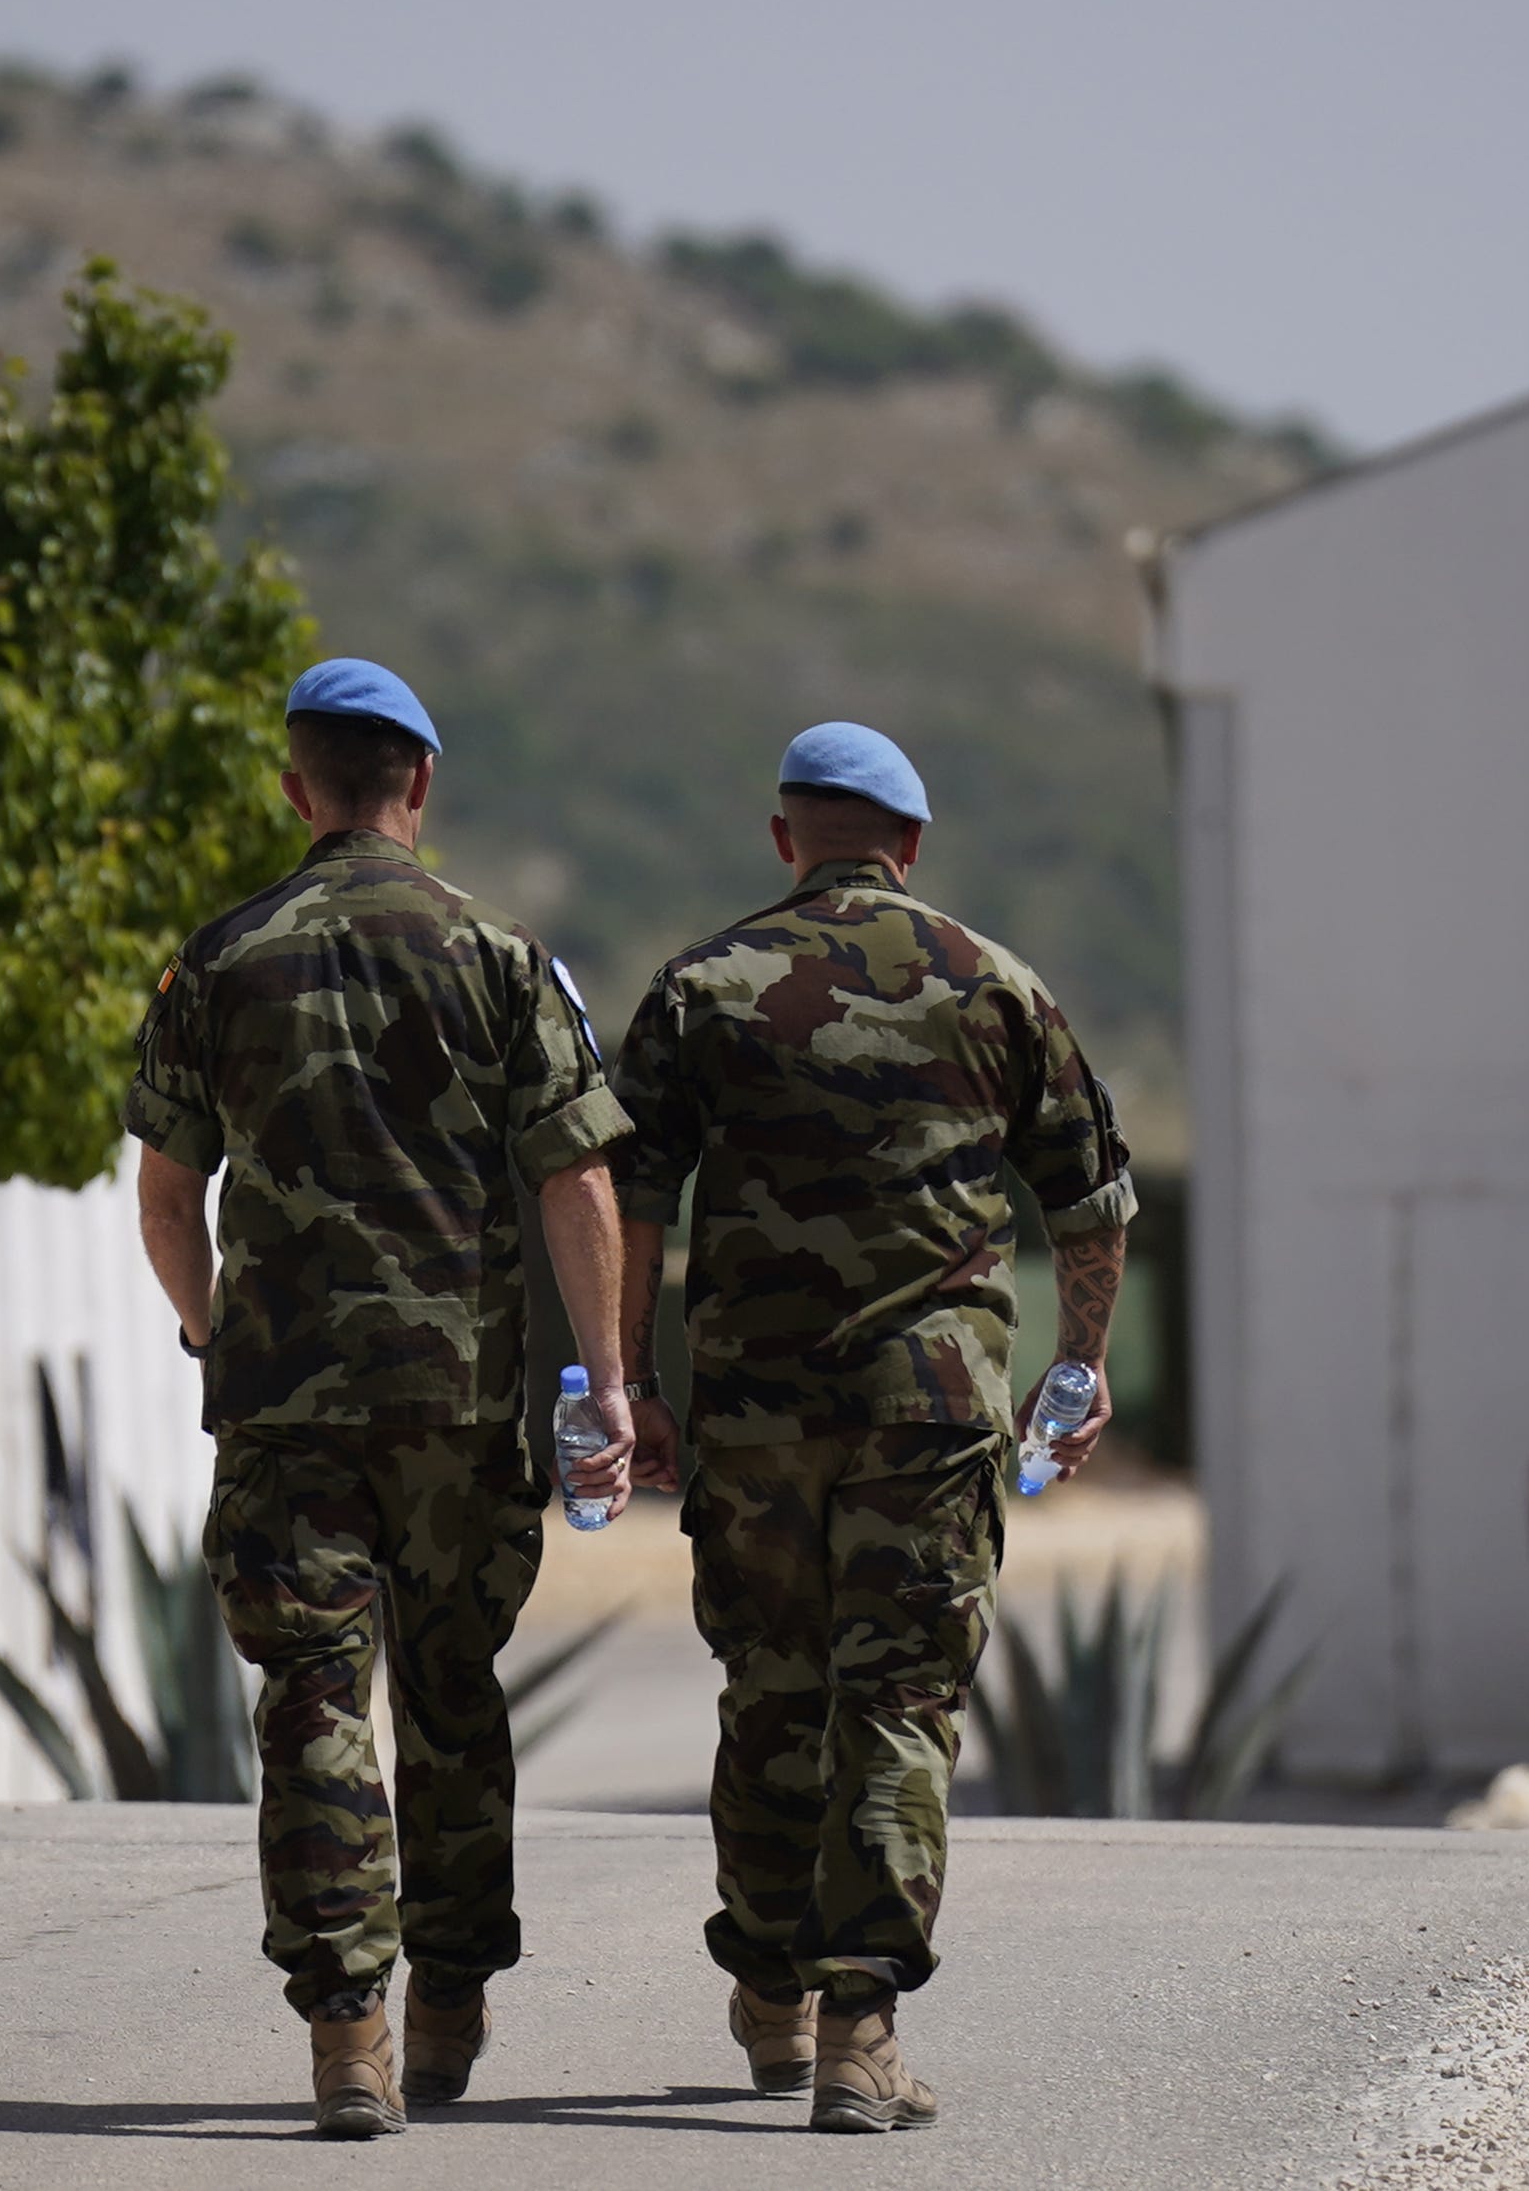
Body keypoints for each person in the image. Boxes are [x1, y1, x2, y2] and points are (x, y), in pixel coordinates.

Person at [124, 657, 639, 2138]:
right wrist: (604, 1380)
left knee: (311, 1706)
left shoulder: (218, 962)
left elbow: (166, 1202)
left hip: (285, 1413)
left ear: (298, 789)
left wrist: (220, 1336)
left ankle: (346, 2028)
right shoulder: (502, 957)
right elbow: (577, 1176)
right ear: (419, 782)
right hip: (457, 1409)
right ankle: (452, 2004)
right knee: (454, 1698)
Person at [609, 720, 1133, 2134]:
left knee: (772, 1690)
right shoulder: (992, 985)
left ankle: (772, 1993)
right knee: (897, 1702)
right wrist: (1074, 1373)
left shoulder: (702, 989)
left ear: (788, 838)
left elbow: (629, 1200)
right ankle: (859, 2027)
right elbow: (1088, 1206)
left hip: (756, 1421)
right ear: (909, 846)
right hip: (930, 1419)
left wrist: (626, 1382)